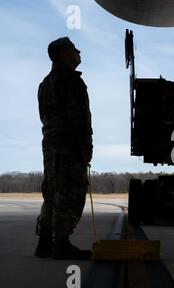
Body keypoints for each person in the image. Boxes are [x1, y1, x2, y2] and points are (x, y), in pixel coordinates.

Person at [34, 37, 93, 260]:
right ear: (62, 55)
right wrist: (86, 147)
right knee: (69, 193)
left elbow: (45, 117)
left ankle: (44, 242)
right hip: (68, 147)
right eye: (73, 50)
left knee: (51, 193)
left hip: (50, 147)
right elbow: (78, 118)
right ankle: (61, 243)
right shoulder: (70, 82)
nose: (79, 53)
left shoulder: (45, 83)